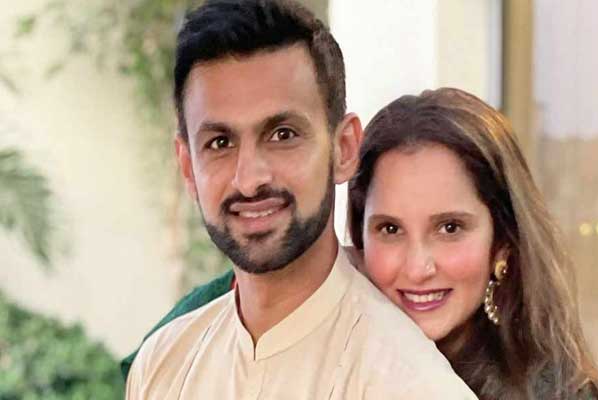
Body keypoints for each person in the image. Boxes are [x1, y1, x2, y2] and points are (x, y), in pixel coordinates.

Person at [123, 1, 477, 399]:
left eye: (283, 135)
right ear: (188, 167)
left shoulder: (409, 384)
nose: (250, 180)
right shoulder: (162, 366)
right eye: (220, 143)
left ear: (344, 149)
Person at [346, 87, 598, 399]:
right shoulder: (337, 372)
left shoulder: (561, 394)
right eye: (391, 229)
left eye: (450, 228)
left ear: (502, 242)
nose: (417, 268)